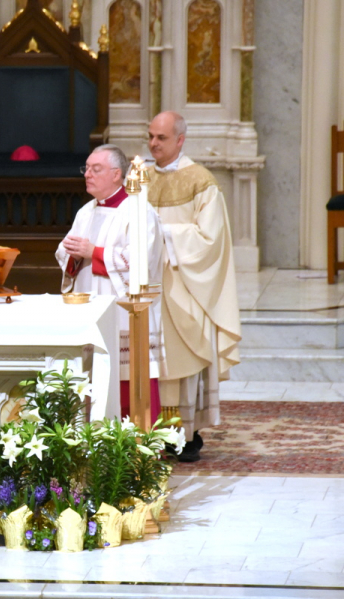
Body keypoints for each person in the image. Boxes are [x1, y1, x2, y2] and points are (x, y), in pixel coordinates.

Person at [146, 111, 241, 462]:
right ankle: (151, 429)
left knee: (180, 362)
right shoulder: (140, 178)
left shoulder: (201, 181)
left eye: (162, 138)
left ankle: (186, 433)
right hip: (146, 287)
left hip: (182, 286)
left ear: (180, 140)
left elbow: (209, 239)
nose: (153, 143)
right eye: (151, 136)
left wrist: (162, 233)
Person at [56, 144, 165, 424]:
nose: (87, 174)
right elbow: (66, 254)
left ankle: (133, 455)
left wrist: (94, 252)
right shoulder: (86, 212)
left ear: (117, 174)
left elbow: (141, 262)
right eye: (86, 168)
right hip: (89, 310)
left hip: (123, 314)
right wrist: (73, 255)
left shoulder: (139, 211)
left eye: (96, 169)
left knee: (126, 381)